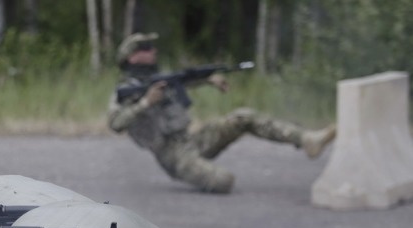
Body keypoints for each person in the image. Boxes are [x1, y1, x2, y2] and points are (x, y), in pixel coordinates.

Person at [107, 32, 337, 193]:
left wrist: (209, 79)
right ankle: (204, 173)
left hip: (192, 140)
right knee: (222, 181)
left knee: (243, 117)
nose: (153, 52)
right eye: (146, 49)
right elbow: (115, 123)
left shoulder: (157, 80)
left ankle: (306, 139)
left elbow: (183, 81)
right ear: (132, 57)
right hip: (173, 156)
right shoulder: (124, 91)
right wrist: (145, 103)